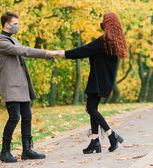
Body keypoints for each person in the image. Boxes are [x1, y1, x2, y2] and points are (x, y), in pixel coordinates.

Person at [47, 12, 129, 154]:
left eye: (103, 21)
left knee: (91, 109)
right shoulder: (115, 42)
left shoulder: (104, 41)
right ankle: (94, 141)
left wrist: (63, 53)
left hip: (98, 80)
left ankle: (111, 135)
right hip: (104, 80)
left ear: (107, 24)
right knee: (92, 107)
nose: (101, 23)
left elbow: (83, 51)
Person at [0, 11, 53, 163]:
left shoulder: (14, 40)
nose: (18, 27)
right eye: (15, 24)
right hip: (11, 86)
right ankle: (4, 152)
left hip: (21, 86)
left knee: (27, 117)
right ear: (7, 25)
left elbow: (23, 48)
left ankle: (27, 150)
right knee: (14, 117)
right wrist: (47, 53)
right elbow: (24, 51)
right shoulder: (1, 42)